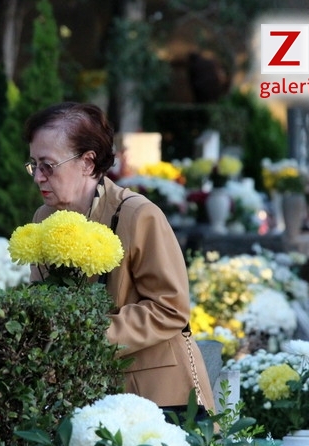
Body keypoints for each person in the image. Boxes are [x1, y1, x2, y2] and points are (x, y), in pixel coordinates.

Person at [23, 102, 215, 415]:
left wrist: (87, 336)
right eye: (34, 165)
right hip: (82, 395)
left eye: (48, 166)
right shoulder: (44, 217)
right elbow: (42, 300)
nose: (38, 178)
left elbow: (170, 308)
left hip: (159, 396)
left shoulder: (138, 214)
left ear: (88, 163)